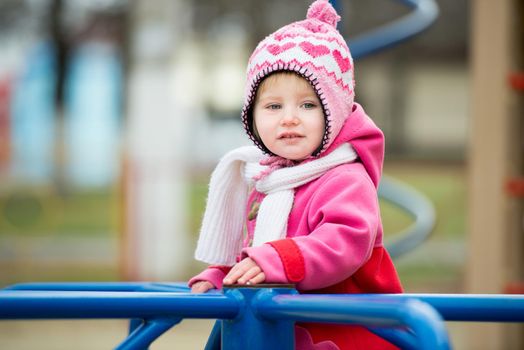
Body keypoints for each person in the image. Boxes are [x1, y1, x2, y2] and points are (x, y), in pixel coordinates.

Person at [189, 0, 403, 349]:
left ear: (333, 113)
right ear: (252, 117)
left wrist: (280, 259)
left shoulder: (344, 177)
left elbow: (345, 241)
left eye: (308, 105)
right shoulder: (270, 181)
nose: (289, 118)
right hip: (289, 334)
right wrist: (226, 275)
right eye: (273, 106)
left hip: (348, 337)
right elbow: (258, 254)